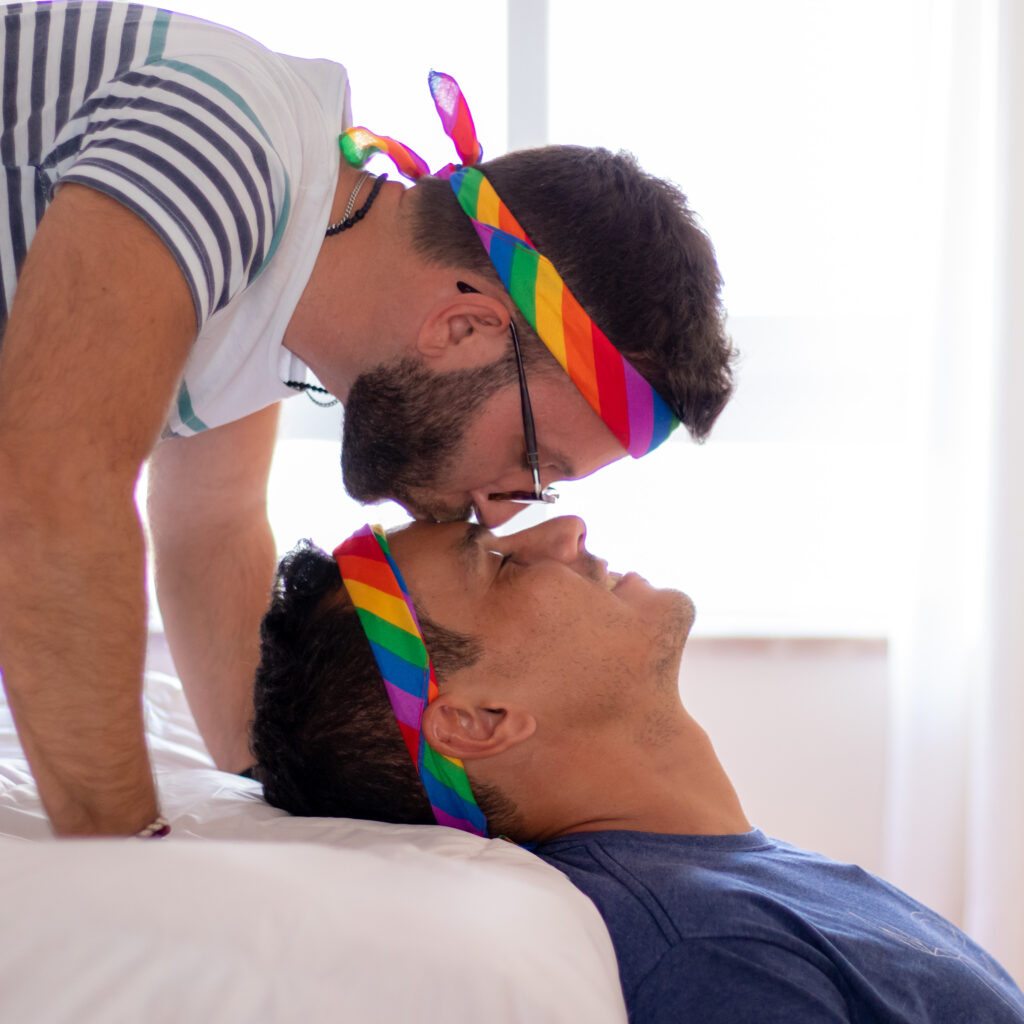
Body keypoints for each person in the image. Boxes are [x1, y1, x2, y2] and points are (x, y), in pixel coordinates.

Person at [0, 3, 734, 836]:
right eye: (532, 460)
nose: (497, 513)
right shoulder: (228, 141)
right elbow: (52, 491)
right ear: (464, 328)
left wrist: (286, 808)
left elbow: (212, 531)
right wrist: (125, 855)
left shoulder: (280, 291)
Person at [249, 517, 1024, 1023]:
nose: (564, 529)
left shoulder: (731, 890)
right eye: (500, 565)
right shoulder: (706, 954)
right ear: (477, 721)